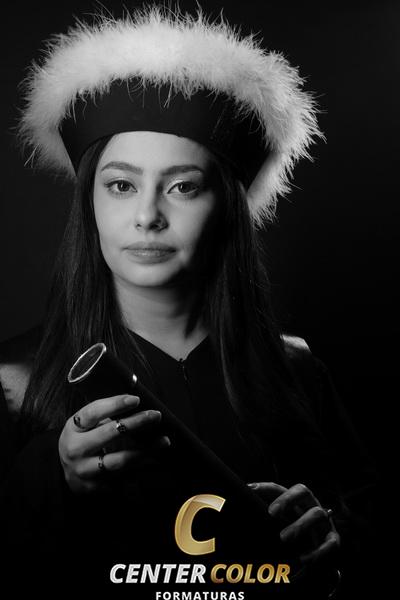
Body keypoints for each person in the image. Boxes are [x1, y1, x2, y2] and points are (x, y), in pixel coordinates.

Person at [0, 5, 375, 597]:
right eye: (121, 185)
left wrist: (330, 538)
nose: (147, 216)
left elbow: (361, 529)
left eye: (182, 186)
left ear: (226, 207)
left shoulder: (297, 372)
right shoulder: (13, 381)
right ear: (90, 203)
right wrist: (53, 479)